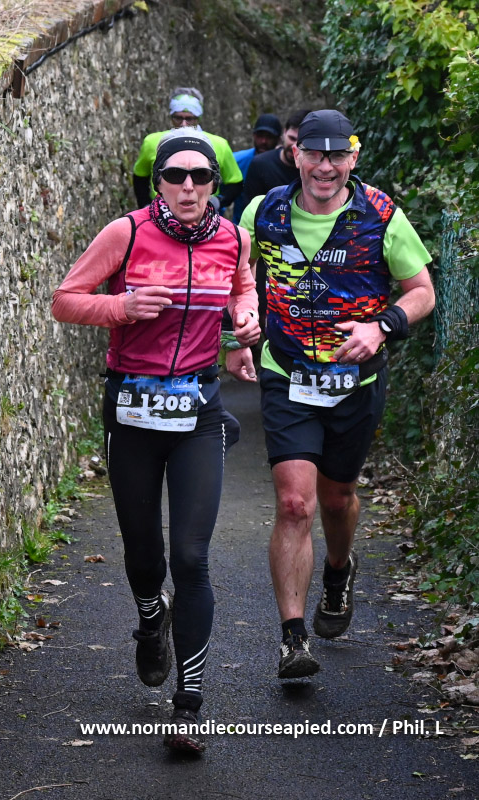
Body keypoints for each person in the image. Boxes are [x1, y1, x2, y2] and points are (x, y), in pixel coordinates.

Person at [52, 128, 260, 753]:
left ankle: (189, 706)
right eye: (176, 176)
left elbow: (241, 288)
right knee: (145, 555)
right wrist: (123, 307)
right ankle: (150, 618)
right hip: (132, 409)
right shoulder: (127, 233)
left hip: (199, 411)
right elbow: (65, 301)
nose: (189, 187)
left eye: (201, 177)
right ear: (158, 183)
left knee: (192, 558)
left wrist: (243, 323)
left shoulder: (234, 239)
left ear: (214, 184)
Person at [237, 109, 435, 680]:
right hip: (287, 373)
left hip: (357, 382)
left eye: (337, 156)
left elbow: (422, 290)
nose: (325, 167)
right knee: (294, 503)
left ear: (354, 157)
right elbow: (236, 274)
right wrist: (239, 328)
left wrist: (382, 327)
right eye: (315, 155)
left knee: (336, 497)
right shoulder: (263, 211)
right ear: (296, 155)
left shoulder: (380, 214)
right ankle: (292, 639)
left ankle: (339, 569)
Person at [241, 109, 311, 325]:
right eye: (291, 138)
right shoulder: (261, 164)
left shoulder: (314, 171)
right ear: (283, 134)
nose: (294, 146)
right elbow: (251, 207)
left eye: (302, 143)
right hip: (269, 243)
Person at [132, 87, 243, 211]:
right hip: (163, 210)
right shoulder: (152, 142)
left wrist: (218, 201)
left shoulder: (220, 144)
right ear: (171, 117)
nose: (183, 124)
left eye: (189, 119)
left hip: (204, 210)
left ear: (198, 118)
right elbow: (140, 177)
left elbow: (235, 182)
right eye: (178, 118)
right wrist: (145, 205)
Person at [230, 113, 282, 224]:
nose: (263, 141)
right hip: (241, 224)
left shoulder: (285, 165)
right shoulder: (238, 160)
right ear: (253, 135)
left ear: (278, 139)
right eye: (260, 136)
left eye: (269, 137)